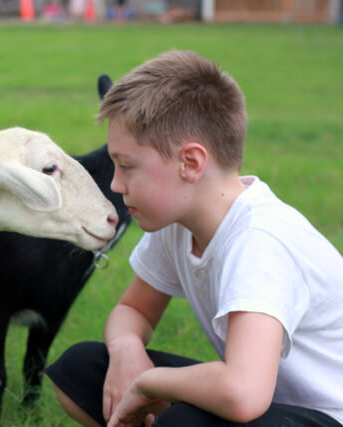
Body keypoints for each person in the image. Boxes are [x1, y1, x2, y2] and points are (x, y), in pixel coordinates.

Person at [45, 50, 343, 427]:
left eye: (127, 166)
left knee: (182, 422)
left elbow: (242, 393)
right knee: (80, 371)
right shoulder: (178, 220)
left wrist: (150, 381)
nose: (116, 184)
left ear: (190, 163)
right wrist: (127, 351)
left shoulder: (259, 241)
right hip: (266, 401)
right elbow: (133, 311)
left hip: (327, 414)